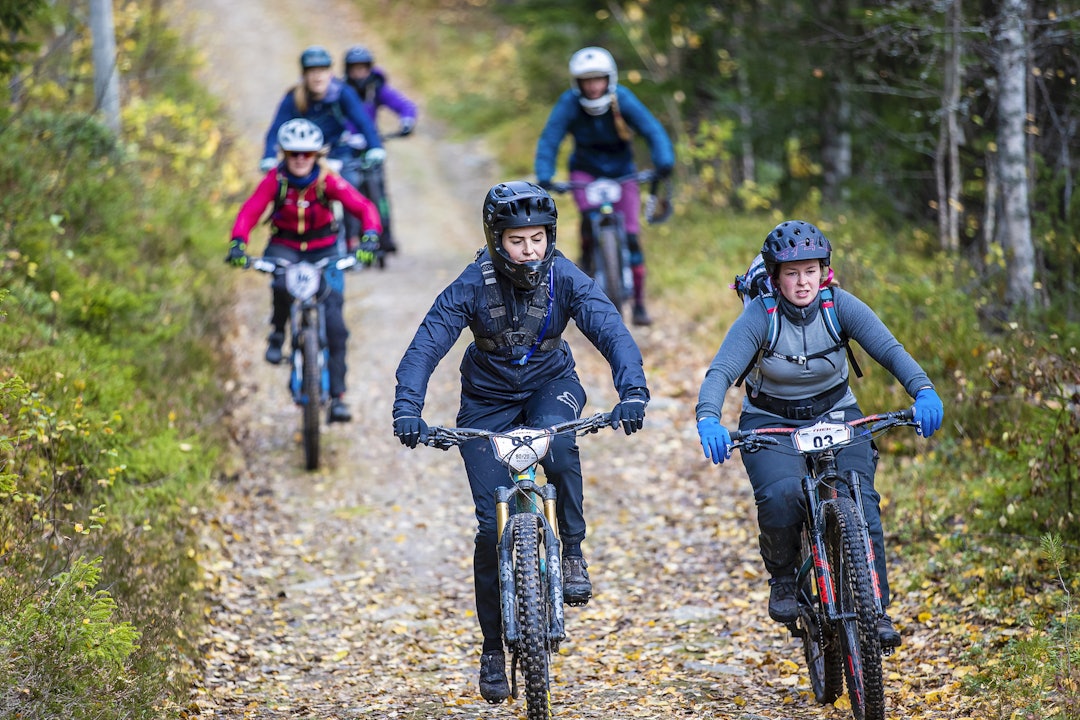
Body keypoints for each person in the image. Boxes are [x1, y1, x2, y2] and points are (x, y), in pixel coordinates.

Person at [391, 181, 649, 703]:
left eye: (537, 238)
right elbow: (427, 343)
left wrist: (633, 390)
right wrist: (408, 408)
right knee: (491, 529)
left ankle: (572, 550)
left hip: (553, 385)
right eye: (516, 240)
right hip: (486, 403)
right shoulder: (471, 284)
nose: (529, 250)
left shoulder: (564, 277)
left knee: (560, 443)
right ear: (495, 240)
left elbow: (611, 329)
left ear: (550, 237)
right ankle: (492, 649)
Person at [694, 220, 944, 649]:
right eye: (791, 273)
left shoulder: (839, 305)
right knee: (782, 494)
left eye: (810, 271)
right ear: (775, 277)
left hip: (836, 413)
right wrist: (709, 418)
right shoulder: (761, 315)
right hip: (771, 420)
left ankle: (876, 609)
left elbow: (889, 349)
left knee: (861, 500)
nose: (802, 281)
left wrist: (923, 390)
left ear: (823, 271)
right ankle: (785, 580)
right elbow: (722, 370)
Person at [228, 119, 383, 423]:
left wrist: (370, 237)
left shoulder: (328, 180)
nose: (300, 159)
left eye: (307, 154)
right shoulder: (276, 180)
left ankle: (338, 396)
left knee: (336, 325)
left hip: (324, 249)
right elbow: (250, 210)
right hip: (284, 246)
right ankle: (277, 332)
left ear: (317, 155)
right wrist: (238, 243)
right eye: (293, 153)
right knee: (282, 285)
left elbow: (364, 207)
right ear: (284, 154)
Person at [534, 46, 676, 327]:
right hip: (585, 171)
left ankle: (639, 303)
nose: (593, 86)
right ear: (578, 83)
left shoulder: (623, 99)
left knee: (632, 234)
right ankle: (587, 258)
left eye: (598, 79)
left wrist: (664, 162)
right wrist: (545, 174)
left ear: (609, 78)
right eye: (587, 81)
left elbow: (652, 129)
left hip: (623, 172)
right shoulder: (569, 103)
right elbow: (551, 137)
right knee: (588, 217)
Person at [259, 46, 385, 181]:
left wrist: (375, 146)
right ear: (304, 75)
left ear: (330, 73)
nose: (318, 76)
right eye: (312, 71)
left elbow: (363, 122)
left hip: (338, 154)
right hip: (304, 158)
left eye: (323, 71)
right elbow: (276, 129)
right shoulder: (293, 97)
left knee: (351, 185)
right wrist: (269, 156)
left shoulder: (342, 92)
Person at [339, 44, 419, 254]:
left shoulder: (376, 90)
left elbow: (405, 106)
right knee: (348, 191)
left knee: (379, 193)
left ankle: (386, 237)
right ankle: (350, 239)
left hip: (372, 148)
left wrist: (407, 122)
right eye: (354, 68)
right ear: (347, 70)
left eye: (363, 67)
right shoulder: (341, 91)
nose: (359, 72)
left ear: (369, 68)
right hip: (347, 150)